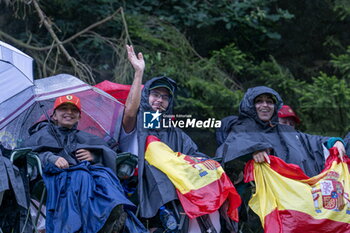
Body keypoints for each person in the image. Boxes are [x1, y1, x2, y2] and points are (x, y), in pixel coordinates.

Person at [119, 45, 235, 232]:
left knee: (212, 170)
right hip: (140, 180)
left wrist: (208, 162)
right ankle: (165, 211)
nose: (160, 100)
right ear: (146, 96)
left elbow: (194, 153)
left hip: (181, 182)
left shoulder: (172, 129)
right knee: (154, 162)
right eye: (155, 95)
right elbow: (130, 111)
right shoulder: (137, 121)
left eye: (165, 97)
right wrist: (138, 73)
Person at [25, 94, 135, 233]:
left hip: (86, 174)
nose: (69, 113)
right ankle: (89, 226)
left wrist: (94, 155)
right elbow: (26, 154)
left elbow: (108, 152)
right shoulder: (41, 135)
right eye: (63, 108)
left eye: (74, 110)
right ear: (54, 116)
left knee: (104, 176)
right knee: (80, 176)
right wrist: (50, 157)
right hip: (51, 178)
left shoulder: (85, 136)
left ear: (79, 117)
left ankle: (112, 213)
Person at [216, 86, 345, 177]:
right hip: (258, 203)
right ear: (250, 106)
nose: (265, 105)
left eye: (269, 102)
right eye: (259, 101)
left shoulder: (283, 130)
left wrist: (334, 142)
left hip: (292, 196)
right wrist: (253, 150)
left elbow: (309, 140)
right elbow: (233, 146)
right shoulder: (241, 128)